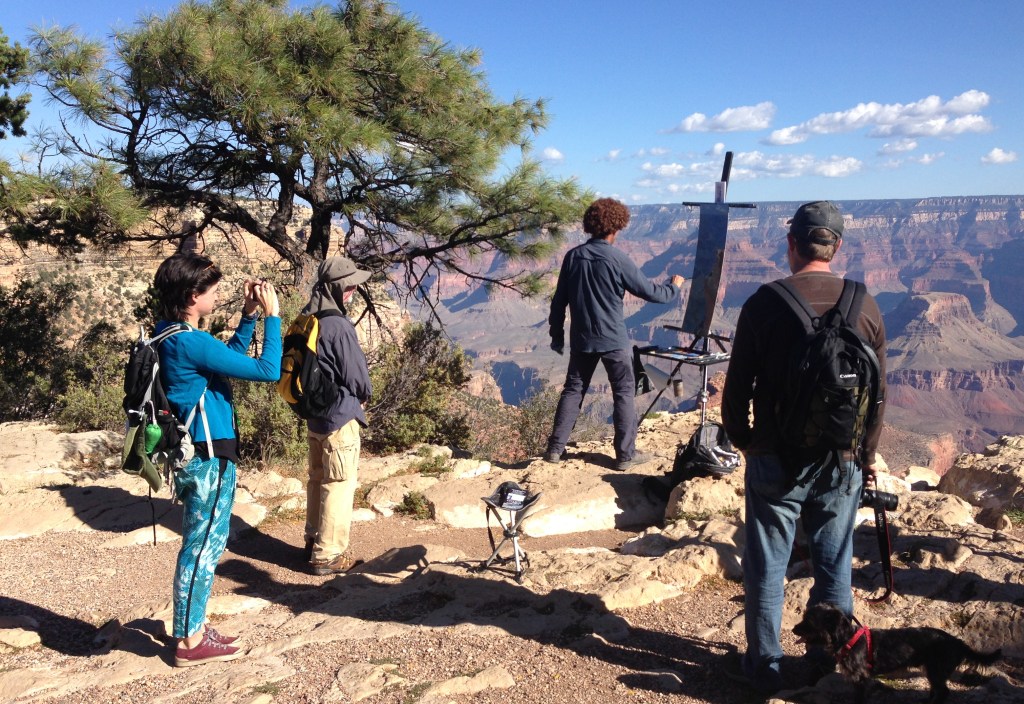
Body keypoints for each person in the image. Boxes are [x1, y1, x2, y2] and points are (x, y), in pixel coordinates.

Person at [721, 201, 887, 693]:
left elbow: (736, 388)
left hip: (774, 457)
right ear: (837, 247)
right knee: (835, 565)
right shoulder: (866, 303)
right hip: (842, 460)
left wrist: (746, 443)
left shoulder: (763, 303)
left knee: (767, 565)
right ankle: (831, 665)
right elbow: (878, 395)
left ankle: (765, 667)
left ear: (791, 244)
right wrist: (866, 455)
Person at [153, 252, 281, 667]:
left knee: (201, 542)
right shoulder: (190, 341)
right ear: (193, 296)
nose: (218, 294)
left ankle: (193, 625)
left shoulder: (170, 334)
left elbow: (222, 360)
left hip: (195, 454)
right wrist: (273, 317)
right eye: (213, 290)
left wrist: (247, 316)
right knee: (203, 547)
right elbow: (266, 370)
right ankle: (189, 643)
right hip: (209, 459)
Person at [544, 197, 685, 470]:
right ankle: (624, 456)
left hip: (582, 339)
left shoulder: (573, 257)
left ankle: (554, 450)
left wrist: (557, 335)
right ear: (616, 227)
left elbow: (558, 301)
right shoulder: (618, 258)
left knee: (573, 390)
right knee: (623, 391)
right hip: (613, 339)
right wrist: (674, 286)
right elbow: (652, 292)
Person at [301, 256, 373, 576]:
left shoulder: (307, 319)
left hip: (314, 417)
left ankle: (314, 538)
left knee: (318, 477)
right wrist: (363, 399)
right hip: (339, 417)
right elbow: (358, 377)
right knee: (339, 483)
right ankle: (328, 554)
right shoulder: (339, 326)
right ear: (339, 288)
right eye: (351, 285)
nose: (354, 290)